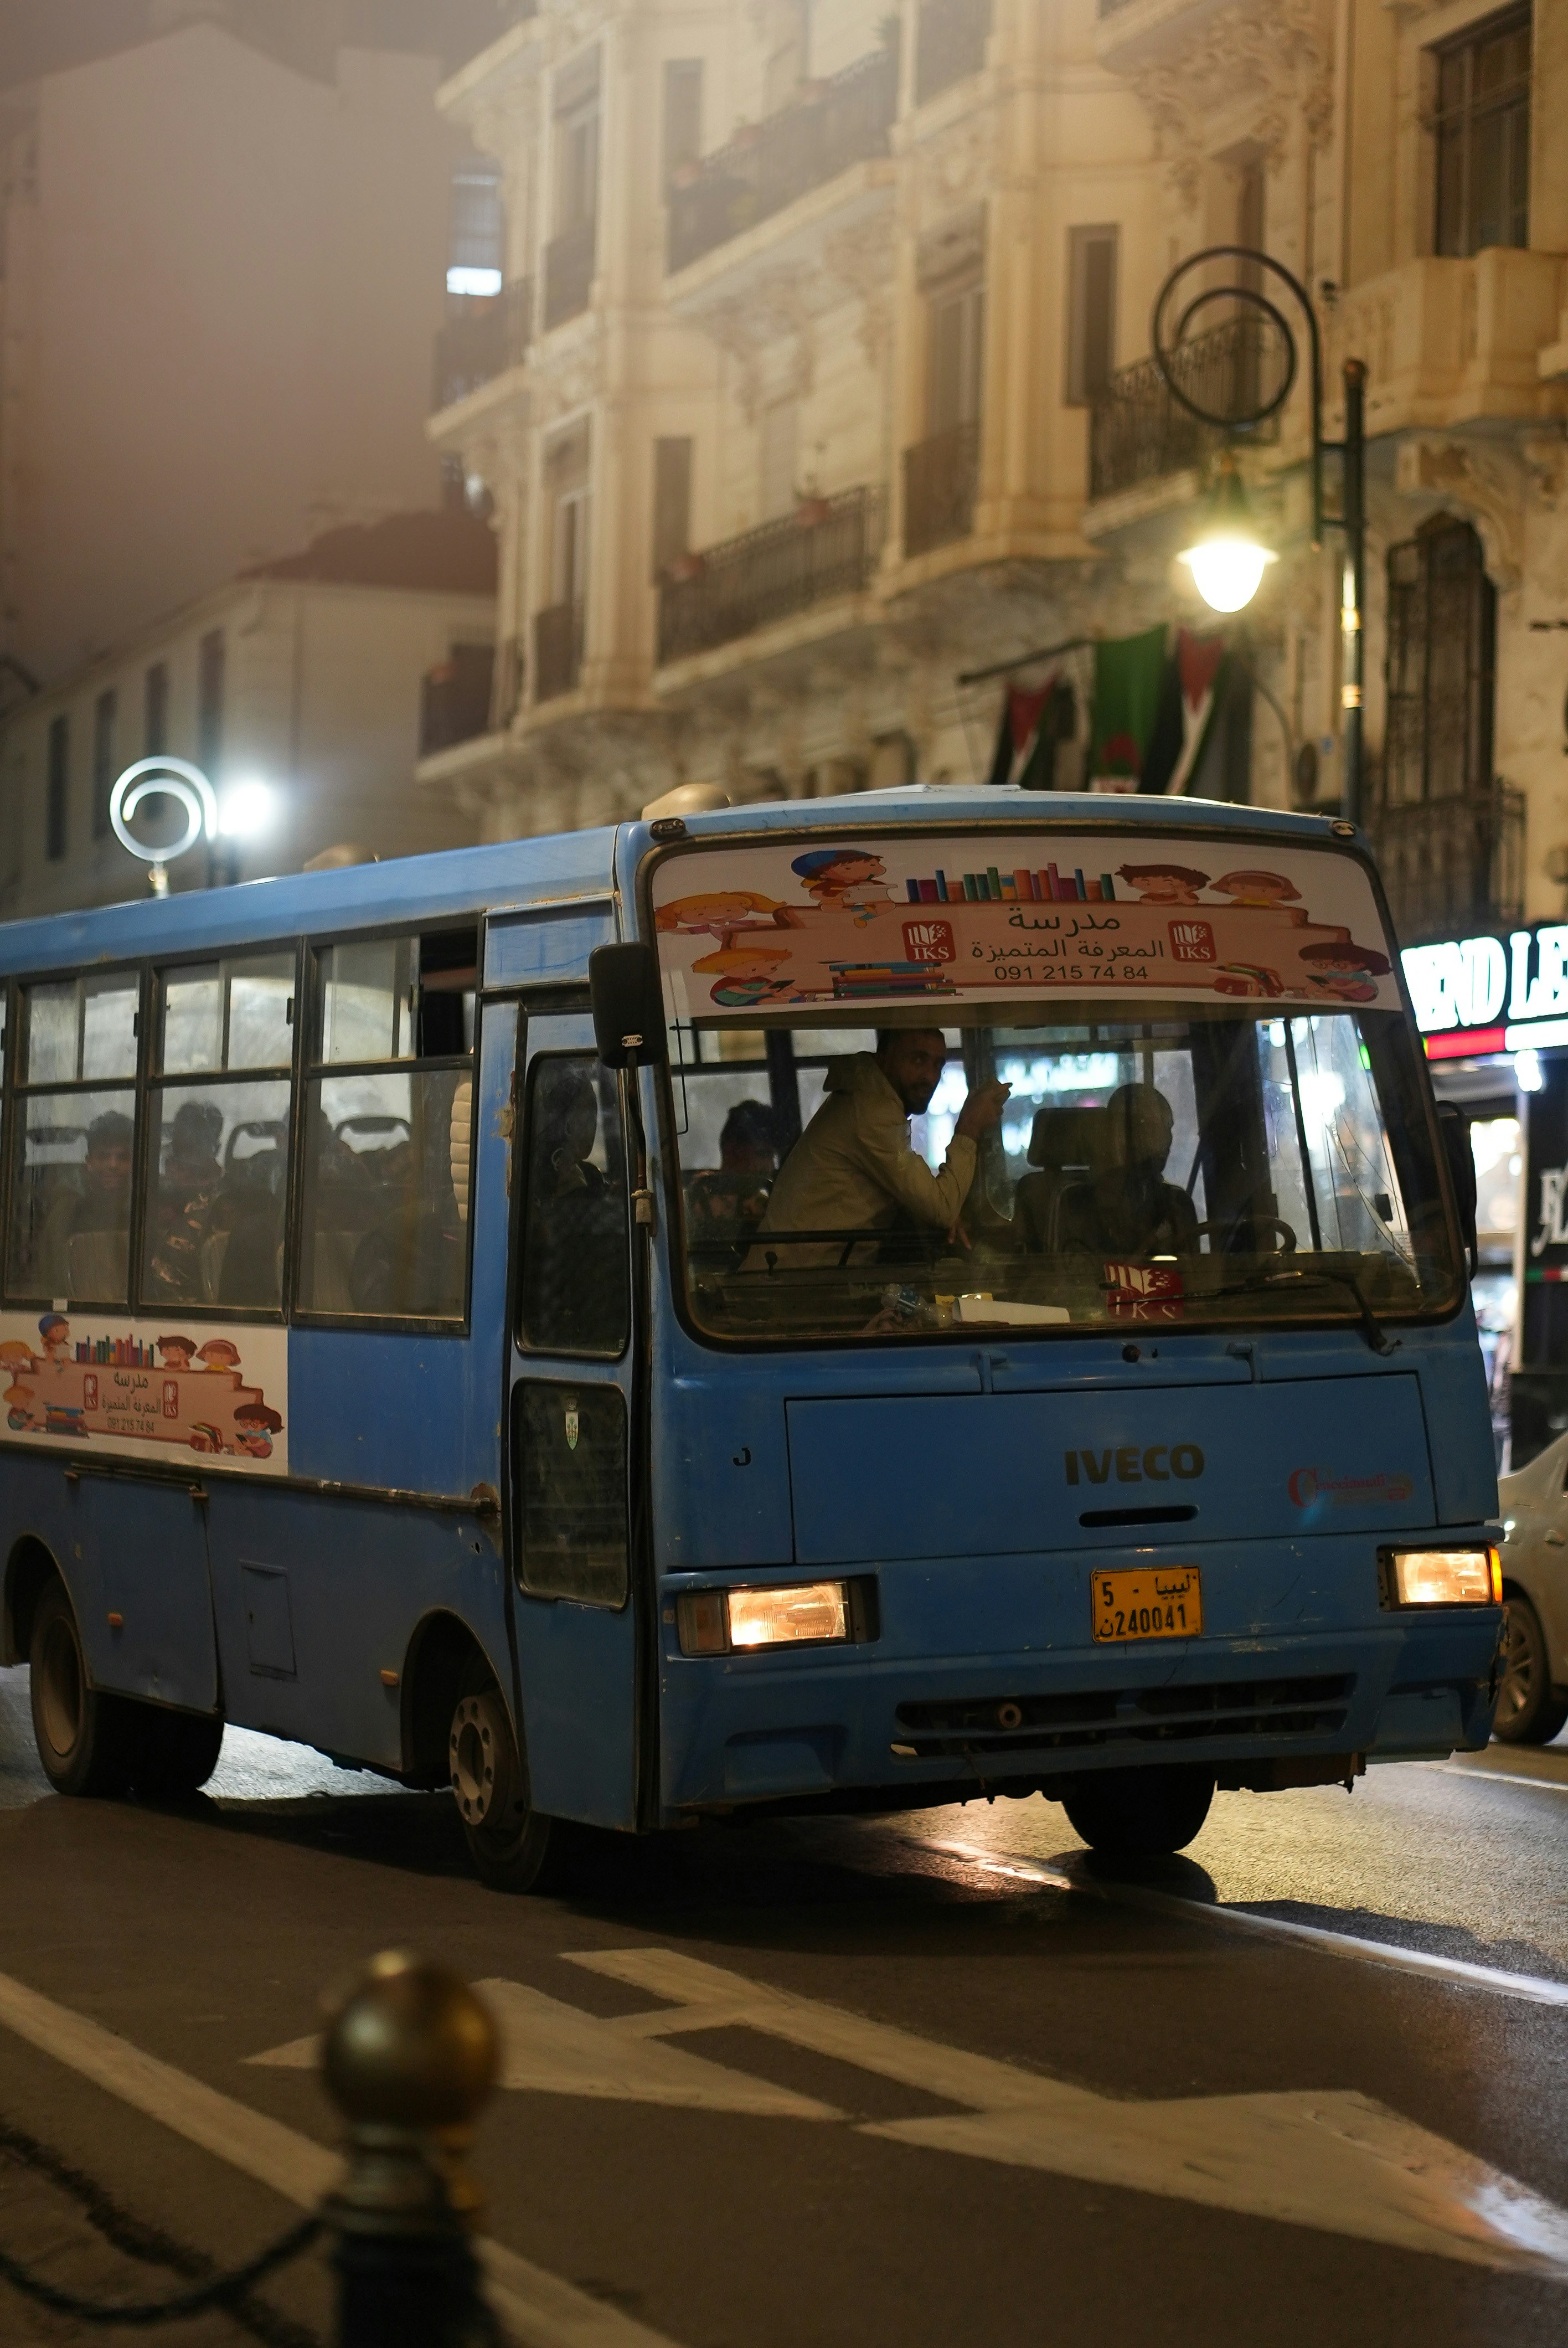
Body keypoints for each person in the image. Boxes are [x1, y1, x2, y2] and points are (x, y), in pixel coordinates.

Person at [749, 1030, 1008, 1270]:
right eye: (918, 1060)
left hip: (801, 1278)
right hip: (788, 1285)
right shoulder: (871, 1113)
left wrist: (935, 1212)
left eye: (938, 1065)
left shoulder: (868, 1100)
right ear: (883, 1059)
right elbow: (942, 1208)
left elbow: (927, 1201)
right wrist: (970, 1128)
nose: (931, 1077)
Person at [1057, 1083, 1198, 1260]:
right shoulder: (1077, 1203)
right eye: (1153, 1128)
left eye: (1167, 1128)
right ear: (1121, 1135)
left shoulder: (1177, 1204)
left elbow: (1193, 1276)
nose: (1166, 1139)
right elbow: (1075, 1279)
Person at [34, 1111, 133, 1296]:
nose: (113, 1165)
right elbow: (51, 1283)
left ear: (135, 1162)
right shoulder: (67, 1214)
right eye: (104, 1156)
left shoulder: (148, 1211)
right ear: (89, 1162)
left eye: (122, 1158)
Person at [687, 1101, 778, 1250]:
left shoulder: (766, 1201)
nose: (771, 1167)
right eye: (764, 1155)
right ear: (733, 1150)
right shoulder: (703, 1195)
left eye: (772, 1157)